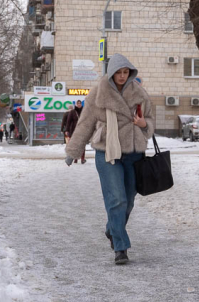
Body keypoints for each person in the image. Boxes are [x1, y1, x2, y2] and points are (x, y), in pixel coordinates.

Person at [65, 54, 154, 265]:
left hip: (134, 155)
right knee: (117, 199)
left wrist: (143, 125)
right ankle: (120, 247)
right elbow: (85, 124)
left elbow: (149, 122)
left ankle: (112, 228)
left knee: (129, 201)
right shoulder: (98, 94)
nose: (122, 76)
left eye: (126, 72)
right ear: (111, 73)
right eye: (119, 72)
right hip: (107, 154)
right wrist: (73, 151)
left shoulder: (139, 93)